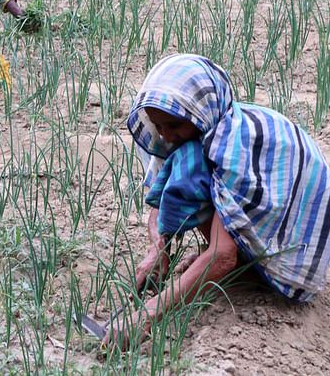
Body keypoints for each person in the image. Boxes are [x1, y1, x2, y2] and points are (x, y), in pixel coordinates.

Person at [104, 53, 330, 350]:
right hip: (263, 223)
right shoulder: (186, 134)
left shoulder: (232, 147)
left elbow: (224, 256)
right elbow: (159, 200)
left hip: (293, 254)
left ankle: (250, 274)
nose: (166, 136)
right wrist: (158, 247)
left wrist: (146, 316)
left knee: (193, 169)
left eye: (173, 126)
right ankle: (233, 264)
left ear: (201, 113)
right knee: (186, 165)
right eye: (158, 126)